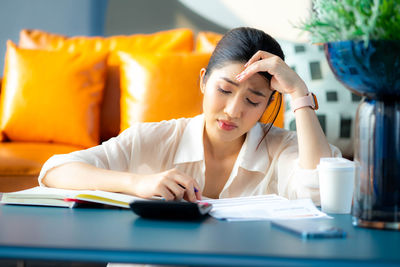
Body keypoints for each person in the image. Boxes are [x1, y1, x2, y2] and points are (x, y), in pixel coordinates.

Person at [39, 27, 341, 204]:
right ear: (202, 82)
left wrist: (300, 94)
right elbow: (55, 171)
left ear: (267, 104)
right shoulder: (154, 138)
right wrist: (139, 184)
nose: (234, 110)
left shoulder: (282, 149)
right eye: (224, 90)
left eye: (253, 99)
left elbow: (324, 192)